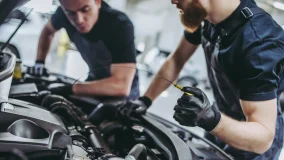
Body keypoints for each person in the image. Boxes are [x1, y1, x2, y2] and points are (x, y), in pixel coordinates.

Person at [118, 0, 284, 159]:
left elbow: (263, 138)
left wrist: (211, 119)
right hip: (219, 121)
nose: (173, 1)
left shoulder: (258, 43)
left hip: (251, 143)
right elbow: (177, 60)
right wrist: (145, 100)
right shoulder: (206, 17)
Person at [27, 0, 139, 101]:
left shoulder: (119, 25)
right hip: (94, 79)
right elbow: (48, 30)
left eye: (85, 9)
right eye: (71, 13)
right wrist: (39, 62)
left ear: (98, 2)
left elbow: (121, 85)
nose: (79, 20)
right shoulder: (62, 14)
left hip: (123, 92)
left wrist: (70, 88)